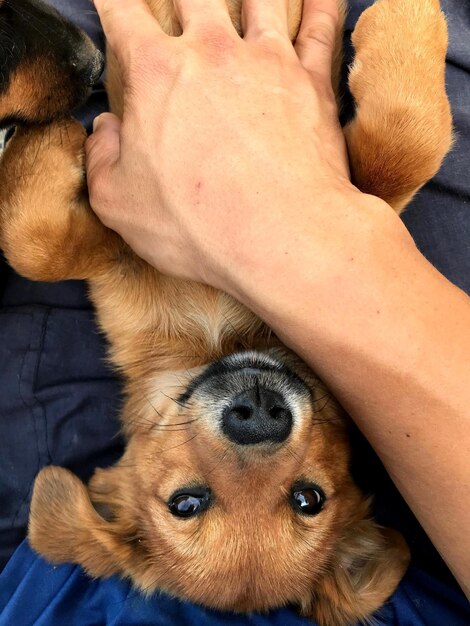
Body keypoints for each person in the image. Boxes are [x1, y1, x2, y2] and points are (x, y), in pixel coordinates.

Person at [0, 1, 468, 624]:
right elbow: (370, 197)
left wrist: (35, 234)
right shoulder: (341, 354)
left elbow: (75, 227)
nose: (256, 451)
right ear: (352, 508)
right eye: (305, 498)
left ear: (116, 499)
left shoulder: (141, 334)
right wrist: (401, 133)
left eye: (190, 504)